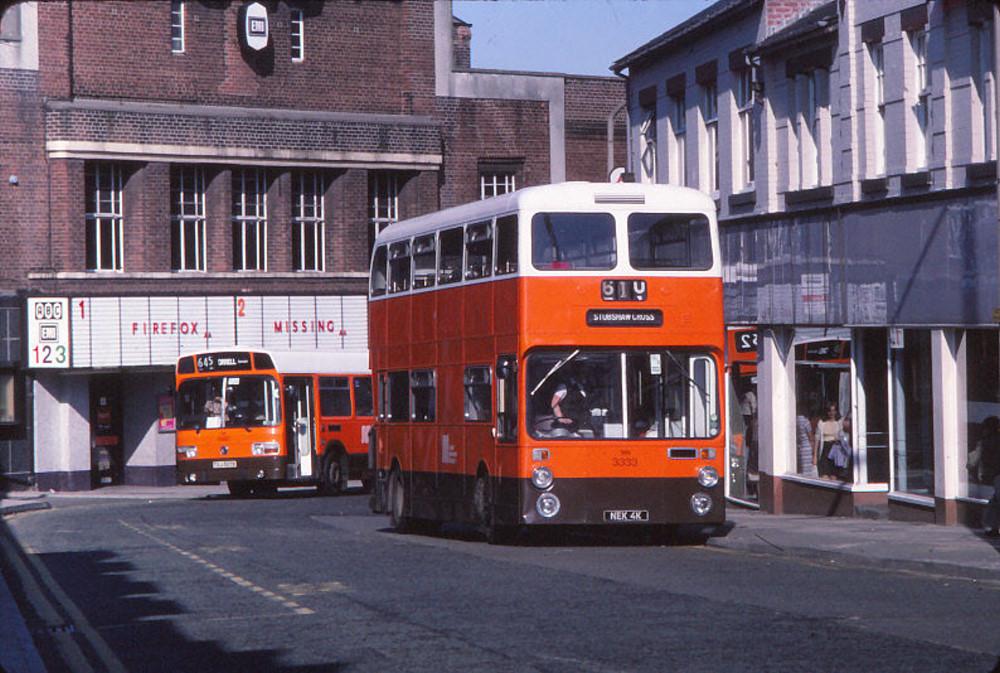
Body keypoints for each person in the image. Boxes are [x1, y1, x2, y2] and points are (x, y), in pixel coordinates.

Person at [969, 416, 1000, 537]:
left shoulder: (985, 441)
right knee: (995, 501)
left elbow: (973, 461)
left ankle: (992, 527)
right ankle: (992, 527)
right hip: (996, 473)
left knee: (996, 501)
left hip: (996, 474)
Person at [816, 402, 841, 479]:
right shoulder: (822, 423)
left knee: (834, 477)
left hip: (835, 450)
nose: (831, 413)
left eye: (833, 410)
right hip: (825, 450)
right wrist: (814, 455)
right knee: (824, 476)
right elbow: (817, 439)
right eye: (829, 411)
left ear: (836, 412)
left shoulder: (839, 423)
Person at [795, 403, 818, 477]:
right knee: (808, 472)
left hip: (800, 447)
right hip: (807, 447)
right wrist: (814, 451)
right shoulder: (805, 421)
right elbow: (810, 437)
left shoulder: (795, 421)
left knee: (802, 469)